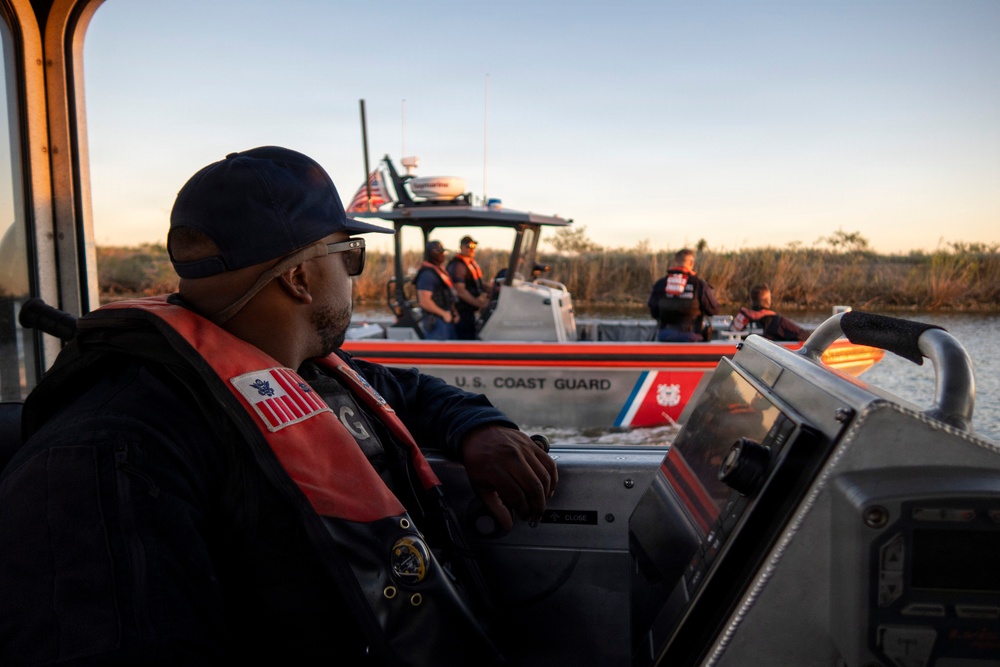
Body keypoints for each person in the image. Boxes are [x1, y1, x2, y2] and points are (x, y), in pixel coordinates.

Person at [0, 146, 557, 665]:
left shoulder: (300, 370)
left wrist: (477, 428)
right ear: (298, 278)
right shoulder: (110, 452)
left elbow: (408, 390)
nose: (356, 279)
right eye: (351, 255)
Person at [647, 248, 719, 342]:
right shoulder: (699, 284)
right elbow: (713, 310)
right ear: (691, 263)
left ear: (675, 262)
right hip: (692, 336)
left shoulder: (661, 284)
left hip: (665, 335)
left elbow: (653, 311)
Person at [730, 284, 810, 342]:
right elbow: (805, 336)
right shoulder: (777, 321)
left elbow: (730, 334)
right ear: (768, 301)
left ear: (752, 300)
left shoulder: (741, 317)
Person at [446, 235, 489, 340]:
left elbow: (478, 283)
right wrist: (480, 304)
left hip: (469, 311)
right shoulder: (458, 266)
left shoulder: (470, 264)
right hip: (460, 312)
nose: (471, 249)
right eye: (468, 246)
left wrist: (496, 289)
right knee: (465, 341)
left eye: (474, 246)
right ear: (461, 247)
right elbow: (460, 291)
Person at [415, 240, 459, 340]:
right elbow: (424, 301)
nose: (442, 254)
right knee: (440, 351)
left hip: (447, 318)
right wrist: (444, 314)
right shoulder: (427, 274)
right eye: (438, 252)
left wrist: (454, 312)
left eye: (443, 252)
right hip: (437, 321)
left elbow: (448, 294)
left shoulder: (440, 271)